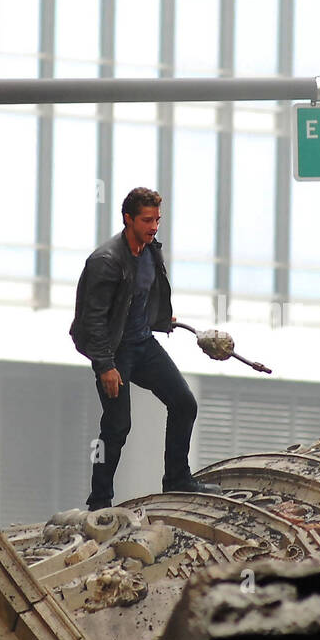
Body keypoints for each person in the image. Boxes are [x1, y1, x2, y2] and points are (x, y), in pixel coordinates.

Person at [69, 187, 222, 511]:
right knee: (116, 426)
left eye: (157, 220)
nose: (153, 227)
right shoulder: (106, 261)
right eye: (146, 220)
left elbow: (141, 295)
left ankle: (177, 479)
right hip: (114, 351)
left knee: (184, 403)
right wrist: (104, 365)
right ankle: (99, 501)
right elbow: (92, 318)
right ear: (128, 219)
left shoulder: (151, 250)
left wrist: (160, 318)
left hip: (144, 344)